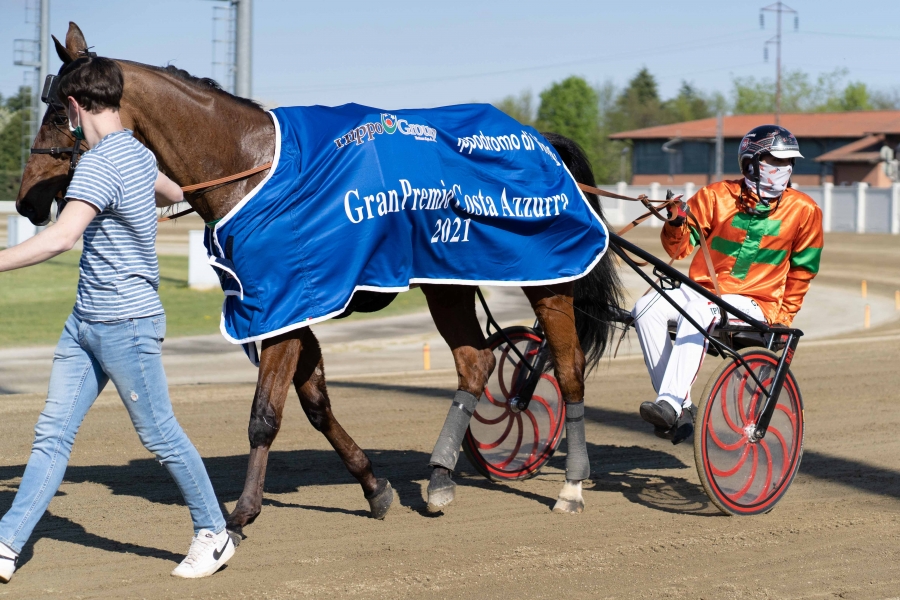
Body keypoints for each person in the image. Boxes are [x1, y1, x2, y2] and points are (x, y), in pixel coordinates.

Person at [0, 56, 235, 582]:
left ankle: (213, 533)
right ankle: (7, 542)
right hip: (86, 322)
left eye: (67, 113)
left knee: (161, 436)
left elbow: (61, 238)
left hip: (126, 326)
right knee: (52, 435)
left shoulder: (101, 163)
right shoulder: (135, 152)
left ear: (77, 106)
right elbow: (178, 195)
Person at [632, 125, 823, 442]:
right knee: (645, 307)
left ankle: (669, 402)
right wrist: (675, 222)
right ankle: (682, 406)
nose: (784, 170)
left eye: (788, 163)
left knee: (699, 307)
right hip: (704, 292)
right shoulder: (715, 196)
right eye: (775, 162)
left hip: (757, 303)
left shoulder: (805, 210)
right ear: (751, 163)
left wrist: (782, 319)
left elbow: (803, 271)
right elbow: (677, 249)